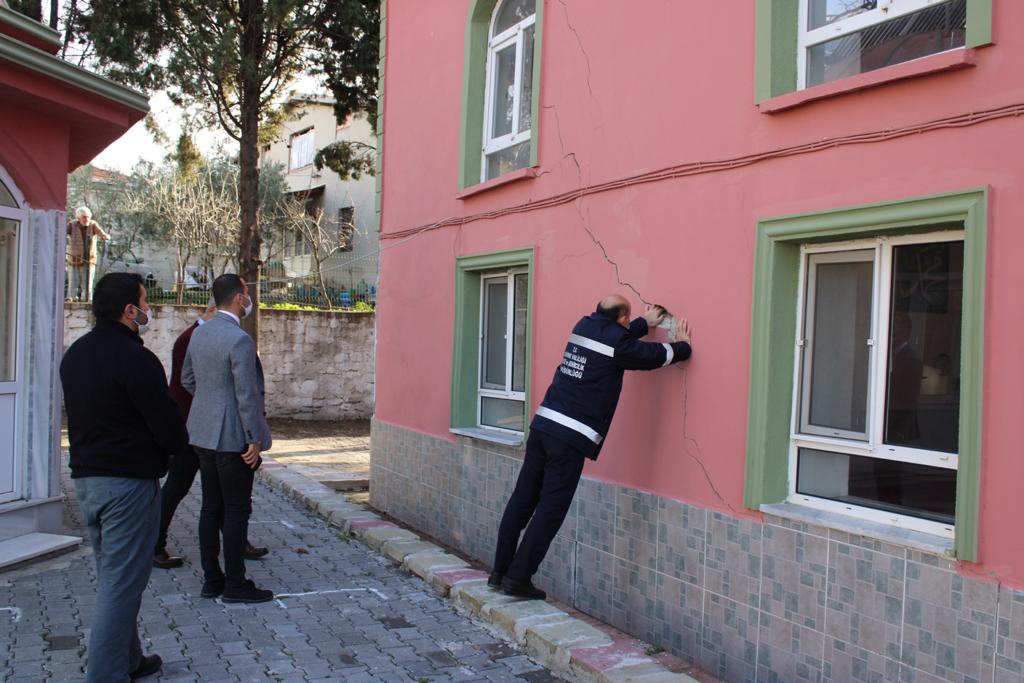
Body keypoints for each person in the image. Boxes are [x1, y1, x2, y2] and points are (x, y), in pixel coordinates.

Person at [492, 294, 693, 599]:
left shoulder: (584, 325)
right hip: (570, 437)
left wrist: (642, 323)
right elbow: (643, 355)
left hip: (543, 425)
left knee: (522, 500)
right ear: (622, 319)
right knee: (550, 509)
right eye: (628, 321)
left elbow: (616, 340)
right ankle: (518, 579)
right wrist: (683, 347)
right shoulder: (618, 344)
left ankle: (500, 572)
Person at [60, 272, 188, 682]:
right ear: (129, 310)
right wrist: (170, 449)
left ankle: (129, 659)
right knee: (121, 586)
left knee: (116, 578)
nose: (149, 310)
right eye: (146, 302)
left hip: (87, 481)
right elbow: (167, 426)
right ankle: (105, 673)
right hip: (128, 485)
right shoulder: (137, 358)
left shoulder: (76, 354)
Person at [154, 301, 270, 568]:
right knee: (180, 488)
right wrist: (215, 409)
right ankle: (155, 542)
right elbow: (186, 383)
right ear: (215, 309)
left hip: (205, 428)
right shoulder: (192, 337)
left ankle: (235, 544)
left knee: (219, 498)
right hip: (194, 429)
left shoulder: (205, 335)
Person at [182, 274, 274, 603]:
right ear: (239, 297)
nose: (248, 299)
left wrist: (210, 404)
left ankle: (212, 579)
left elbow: (187, 379)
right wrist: (254, 439)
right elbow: (246, 395)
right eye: (246, 294)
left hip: (202, 432)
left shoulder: (199, 334)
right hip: (232, 436)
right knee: (235, 511)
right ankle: (235, 584)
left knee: (210, 508)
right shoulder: (239, 339)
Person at [66, 206, 110, 302]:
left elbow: (101, 233)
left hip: (89, 259)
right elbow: (63, 231)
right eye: (84, 217)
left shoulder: (93, 225)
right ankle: (71, 298)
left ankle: (87, 300)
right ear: (79, 218)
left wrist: (104, 236)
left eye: (88, 217)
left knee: (88, 282)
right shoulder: (72, 225)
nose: (86, 219)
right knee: (73, 281)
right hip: (74, 258)